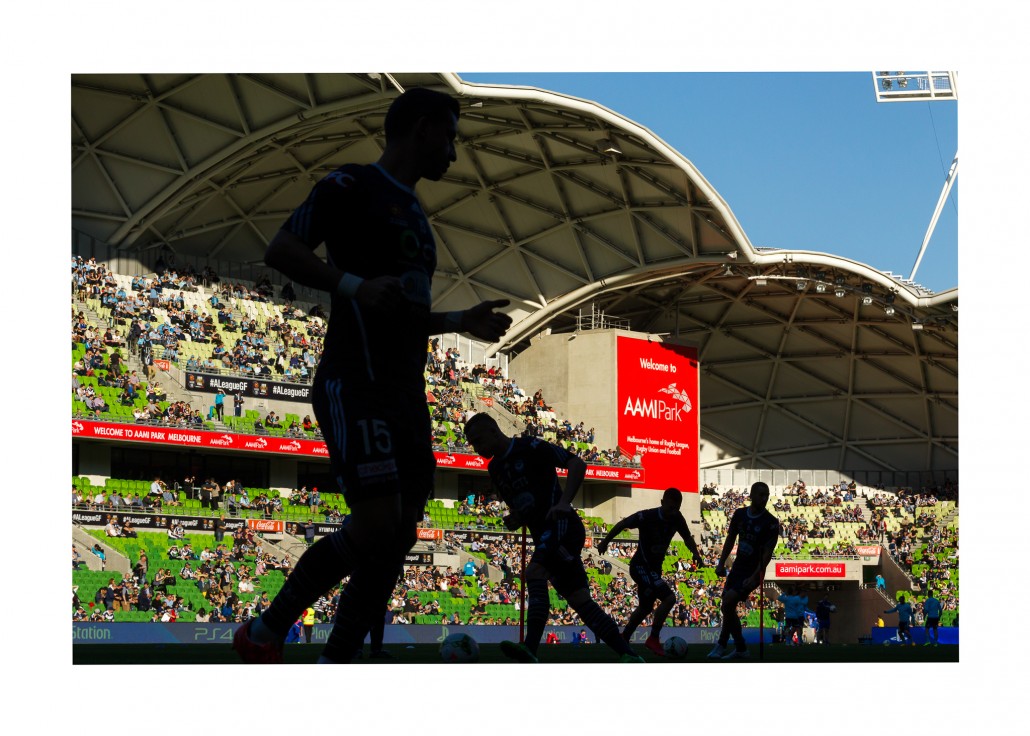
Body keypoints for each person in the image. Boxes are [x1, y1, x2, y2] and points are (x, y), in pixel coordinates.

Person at [233, 87, 512, 665]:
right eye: (450, 136)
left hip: (406, 392)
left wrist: (460, 320)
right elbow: (281, 248)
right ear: (422, 127)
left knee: (402, 533)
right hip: (354, 379)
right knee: (378, 519)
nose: (454, 154)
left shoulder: (418, 218)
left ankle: (336, 660)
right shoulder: (350, 185)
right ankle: (267, 629)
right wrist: (353, 285)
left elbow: (403, 315)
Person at [463, 412, 643, 663]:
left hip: (562, 526)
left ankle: (530, 649)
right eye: (472, 444)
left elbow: (577, 464)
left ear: (494, 431)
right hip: (544, 535)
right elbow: (524, 507)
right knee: (579, 600)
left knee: (535, 572)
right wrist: (516, 519)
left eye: (478, 441)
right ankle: (629, 655)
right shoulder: (495, 468)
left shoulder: (531, 446)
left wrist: (563, 502)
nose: (476, 448)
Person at [596, 487, 702, 657]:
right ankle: (653, 638)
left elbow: (687, 538)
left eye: (676, 508)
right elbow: (623, 524)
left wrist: (696, 554)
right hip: (640, 566)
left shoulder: (677, 518)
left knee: (645, 607)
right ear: (662, 503)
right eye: (670, 508)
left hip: (654, 570)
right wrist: (605, 542)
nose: (672, 512)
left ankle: (625, 637)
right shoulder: (647, 516)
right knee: (669, 598)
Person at [708, 481, 780, 661]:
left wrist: (755, 576)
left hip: (754, 571)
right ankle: (739, 648)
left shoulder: (771, 522)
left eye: (767, 495)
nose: (765, 498)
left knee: (728, 602)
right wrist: (721, 563)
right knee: (727, 605)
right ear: (752, 495)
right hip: (738, 567)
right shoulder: (740, 514)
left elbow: (767, 555)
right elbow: (730, 539)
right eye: (761, 494)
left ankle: (723, 644)